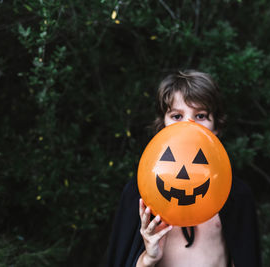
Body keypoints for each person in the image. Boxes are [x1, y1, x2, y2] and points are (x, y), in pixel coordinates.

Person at [105, 70, 261, 267]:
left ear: (216, 127)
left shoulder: (236, 195)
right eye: (177, 116)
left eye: (201, 115)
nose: (189, 125)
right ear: (163, 125)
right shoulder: (139, 194)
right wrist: (148, 258)